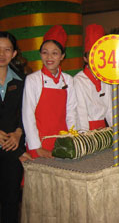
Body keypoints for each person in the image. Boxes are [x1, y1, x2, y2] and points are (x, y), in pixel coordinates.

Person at [0, 31, 30, 223]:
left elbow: (27, 112)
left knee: (12, 200)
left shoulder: (23, 81)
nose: (1, 54)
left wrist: (19, 132)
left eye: (7, 50)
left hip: (13, 147)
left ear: (14, 54)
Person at [22, 25, 78, 159]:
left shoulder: (68, 80)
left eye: (55, 53)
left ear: (62, 56)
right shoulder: (32, 80)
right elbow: (28, 115)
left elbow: (71, 111)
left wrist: (72, 138)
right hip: (39, 141)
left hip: (62, 141)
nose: (49, 57)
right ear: (40, 54)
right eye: (45, 52)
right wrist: (37, 147)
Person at [74, 24, 112, 131]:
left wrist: (117, 130)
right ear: (85, 58)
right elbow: (80, 112)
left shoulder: (106, 79)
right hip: (86, 130)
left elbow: (110, 110)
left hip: (103, 129)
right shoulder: (79, 80)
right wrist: (85, 137)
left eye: (100, 54)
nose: (96, 59)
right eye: (92, 55)